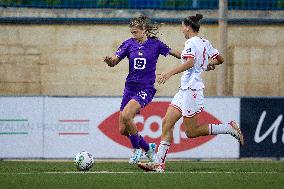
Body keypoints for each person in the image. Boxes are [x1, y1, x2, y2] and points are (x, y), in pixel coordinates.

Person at [137, 14, 244, 172]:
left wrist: (168, 73)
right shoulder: (203, 42)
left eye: (182, 27)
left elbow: (190, 62)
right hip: (185, 90)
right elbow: (220, 59)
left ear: (187, 27)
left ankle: (228, 128)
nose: (182, 30)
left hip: (192, 90)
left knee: (191, 132)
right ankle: (158, 164)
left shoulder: (191, 42)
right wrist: (206, 64)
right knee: (167, 122)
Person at [104, 15, 181, 165]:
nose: (133, 35)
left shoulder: (156, 44)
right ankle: (148, 147)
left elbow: (174, 53)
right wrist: (109, 61)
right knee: (122, 129)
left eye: (135, 32)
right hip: (130, 88)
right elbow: (114, 62)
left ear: (144, 30)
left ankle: (136, 149)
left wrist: (190, 58)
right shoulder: (128, 44)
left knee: (127, 115)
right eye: (132, 32)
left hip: (145, 88)